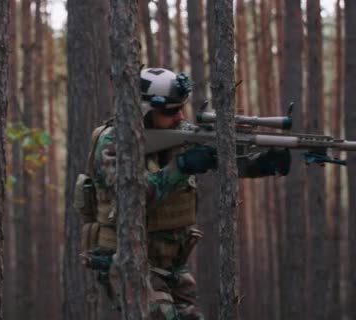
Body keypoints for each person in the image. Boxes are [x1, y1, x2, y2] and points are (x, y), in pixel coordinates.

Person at [77, 68, 290, 319]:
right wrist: (182, 166)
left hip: (172, 265)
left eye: (181, 108)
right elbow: (133, 199)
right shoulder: (112, 143)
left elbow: (218, 158)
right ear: (142, 110)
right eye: (169, 111)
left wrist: (262, 163)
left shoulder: (179, 132)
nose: (179, 116)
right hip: (128, 261)